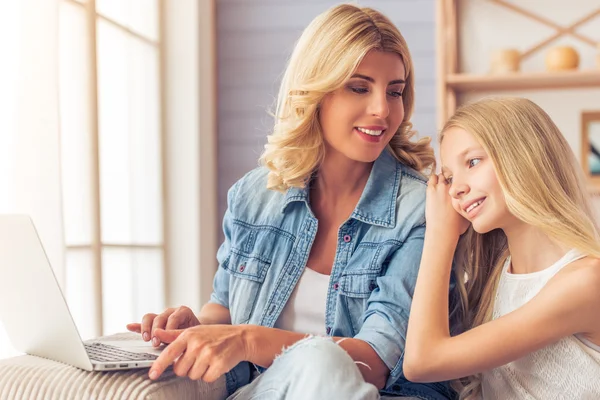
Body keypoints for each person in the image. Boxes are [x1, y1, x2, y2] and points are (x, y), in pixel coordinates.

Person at [128, 4, 454, 399]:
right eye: (359, 87)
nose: (382, 110)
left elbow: (375, 364)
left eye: (395, 92)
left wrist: (246, 340)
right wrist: (195, 327)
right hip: (263, 392)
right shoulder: (254, 196)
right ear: (316, 90)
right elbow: (225, 311)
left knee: (321, 359)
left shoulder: (419, 209)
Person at [403, 97, 600, 399]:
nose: (456, 189)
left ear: (524, 157)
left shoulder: (587, 280)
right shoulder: (491, 284)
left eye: (473, 162)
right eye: (450, 177)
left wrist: (439, 235)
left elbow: (422, 362)